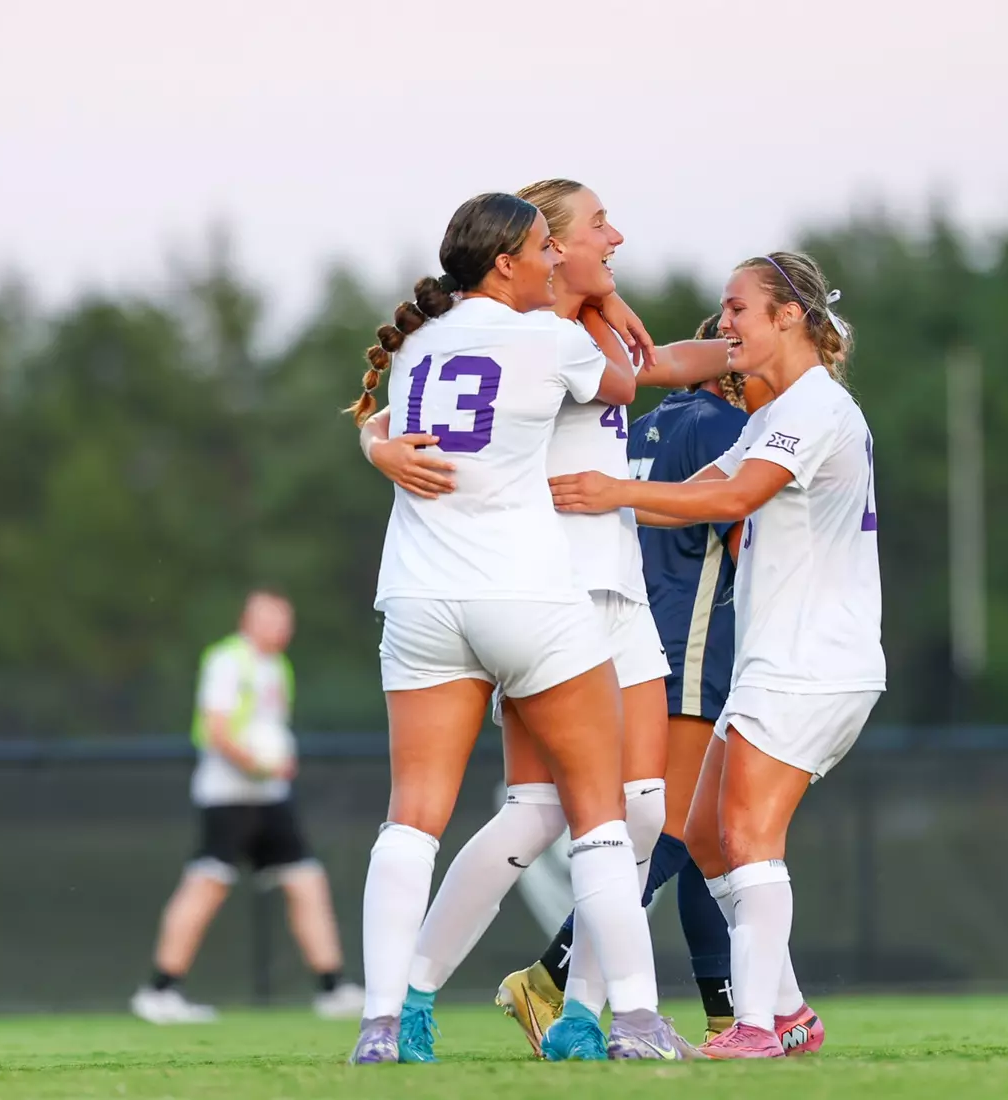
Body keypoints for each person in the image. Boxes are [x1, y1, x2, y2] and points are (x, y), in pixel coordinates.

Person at [359, 180, 732, 1062]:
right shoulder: (551, 336)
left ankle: (560, 1011)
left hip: (591, 587)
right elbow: (633, 376)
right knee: (560, 814)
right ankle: (457, 997)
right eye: (597, 225)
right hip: (540, 593)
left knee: (639, 812)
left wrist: (747, 348)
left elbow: (656, 368)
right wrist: (375, 445)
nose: (616, 235)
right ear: (540, 251)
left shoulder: (484, 333)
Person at [549, 250, 885, 1059]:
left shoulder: (812, 407)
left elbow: (731, 499)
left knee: (747, 831)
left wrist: (617, 493)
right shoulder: (781, 411)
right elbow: (701, 489)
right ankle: (791, 1011)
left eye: (737, 309)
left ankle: (756, 1028)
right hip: (780, 659)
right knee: (702, 833)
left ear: (787, 317)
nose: (724, 322)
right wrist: (602, 505)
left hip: (815, 659)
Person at [494, 315, 779, 1046]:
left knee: (691, 829)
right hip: (688, 637)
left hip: (638, 621)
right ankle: (550, 979)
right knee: (673, 829)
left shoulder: (648, 421)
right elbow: (747, 532)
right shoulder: (725, 426)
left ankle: (724, 1012)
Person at [131, 589, 362, 1024]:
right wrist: (257, 764)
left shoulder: (277, 667)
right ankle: (159, 991)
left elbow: (269, 729)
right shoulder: (227, 661)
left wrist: (275, 765)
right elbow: (215, 731)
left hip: (270, 797)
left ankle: (333, 989)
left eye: (286, 620)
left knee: (307, 882)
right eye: (273, 619)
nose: (282, 628)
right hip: (228, 797)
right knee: (207, 885)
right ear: (249, 620)